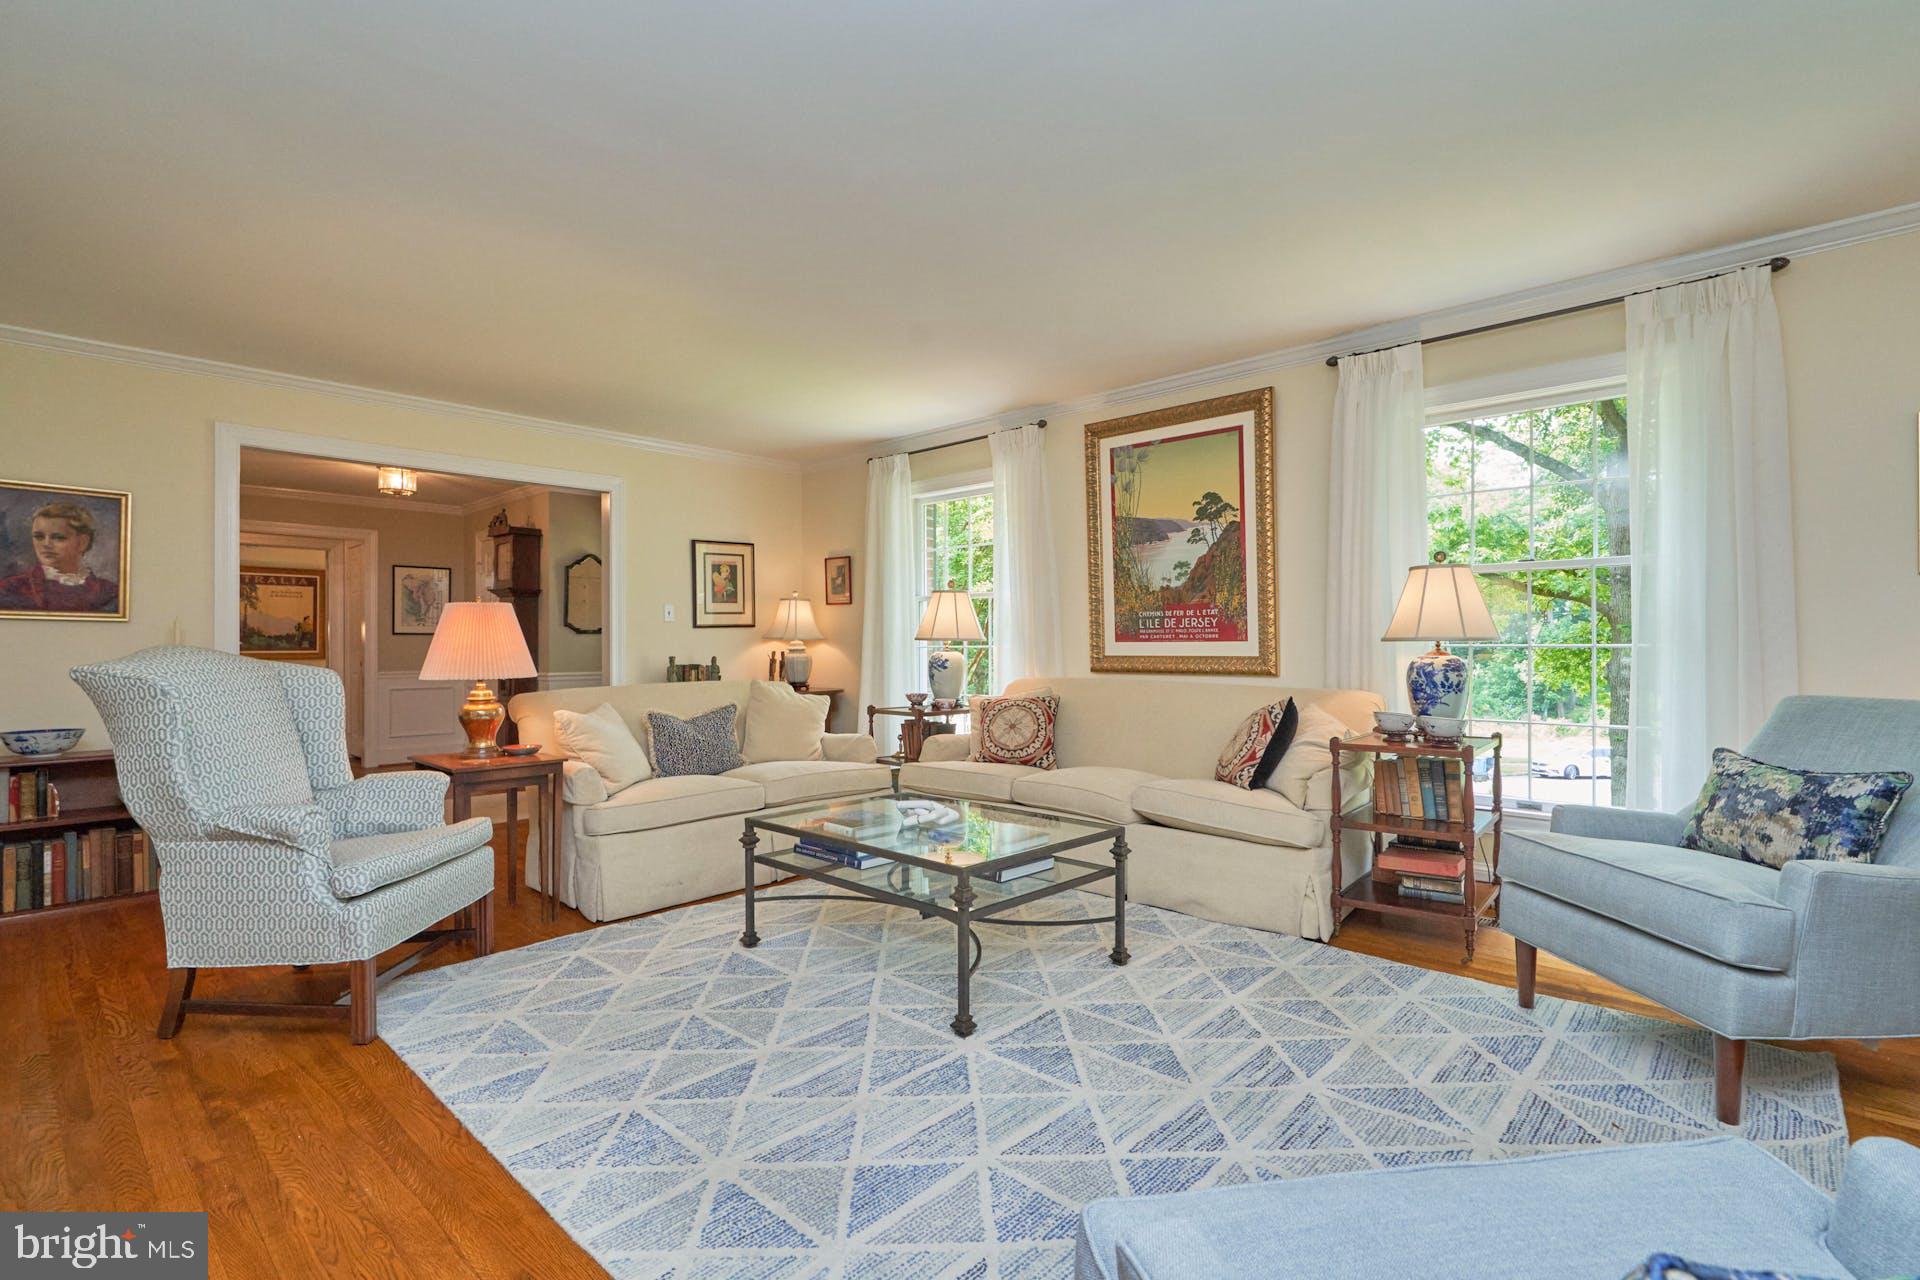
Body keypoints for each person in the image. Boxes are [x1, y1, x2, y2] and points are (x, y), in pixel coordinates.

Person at [0, 500, 120, 614]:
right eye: (39, 537)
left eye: (58, 537)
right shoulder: (11, 588)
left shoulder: (109, 592)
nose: (46, 544)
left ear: (83, 542)